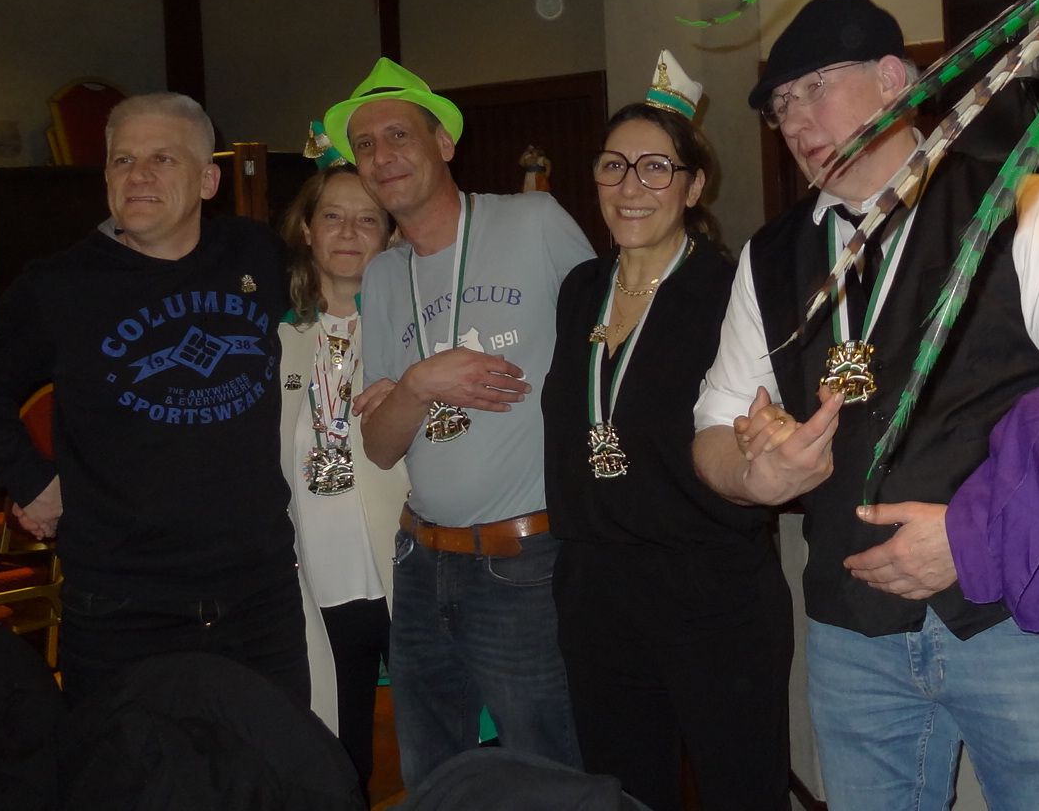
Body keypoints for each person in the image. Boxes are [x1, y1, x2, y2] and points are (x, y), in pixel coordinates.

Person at [691, 0, 1039, 811]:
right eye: (780, 106)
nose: (795, 120)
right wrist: (755, 476)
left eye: (814, 88)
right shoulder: (770, 257)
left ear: (894, 81)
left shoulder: (1015, 205)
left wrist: (975, 533)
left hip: (1015, 625)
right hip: (852, 639)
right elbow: (714, 426)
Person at [0, 92, 307, 706]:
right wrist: (32, 481)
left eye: (163, 159)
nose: (138, 175)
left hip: (258, 594)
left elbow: (335, 307)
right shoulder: (60, 285)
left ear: (208, 180)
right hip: (121, 605)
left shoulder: (255, 253)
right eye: (122, 160)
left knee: (271, 760)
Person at [327, 57, 594, 786]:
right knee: (434, 777)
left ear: (444, 143)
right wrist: (421, 383)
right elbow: (381, 446)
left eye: (398, 135)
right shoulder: (384, 275)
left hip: (526, 560)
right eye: (365, 145)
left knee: (548, 774)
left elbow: (608, 347)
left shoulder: (533, 222)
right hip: (421, 563)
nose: (382, 156)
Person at [544, 53, 792, 811]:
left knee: (740, 793)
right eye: (613, 166)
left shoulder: (730, 291)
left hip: (709, 590)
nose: (631, 187)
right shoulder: (580, 290)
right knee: (623, 796)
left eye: (656, 168)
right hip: (596, 592)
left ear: (694, 186)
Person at [276, 159, 411, 795]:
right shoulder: (272, 339)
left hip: (407, 577)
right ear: (307, 229)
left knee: (444, 747)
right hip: (315, 581)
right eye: (333, 216)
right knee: (337, 759)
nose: (349, 232)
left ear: (391, 233)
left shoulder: (413, 331)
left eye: (368, 219)